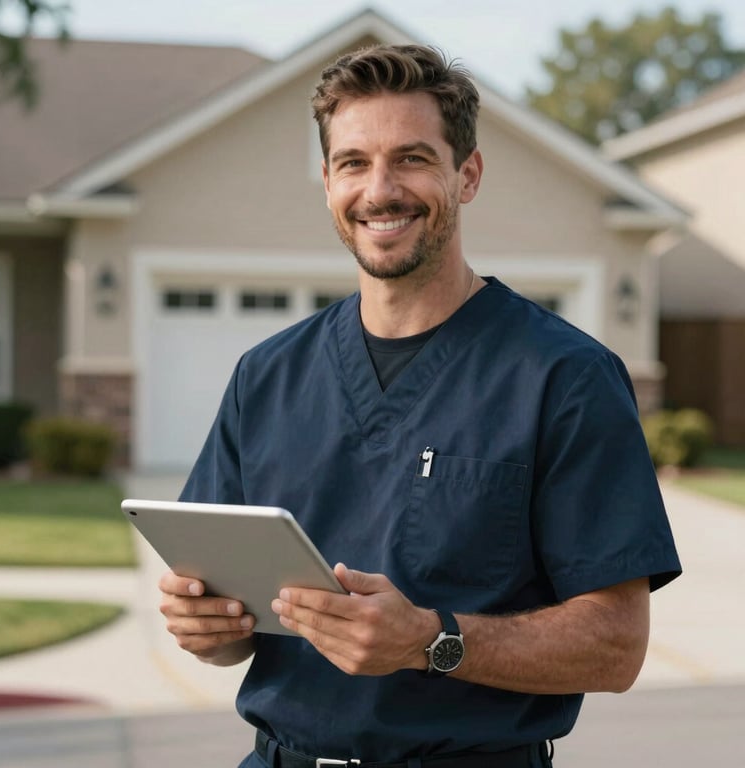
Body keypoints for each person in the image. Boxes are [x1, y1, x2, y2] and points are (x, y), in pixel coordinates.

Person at [159, 44, 681, 768]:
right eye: (353, 163)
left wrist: (429, 641)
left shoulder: (565, 377)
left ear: (466, 175)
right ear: (328, 180)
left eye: (410, 158)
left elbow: (617, 645)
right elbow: (229, 634)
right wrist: (207, 626)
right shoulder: (267, 376)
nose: (380, 190)